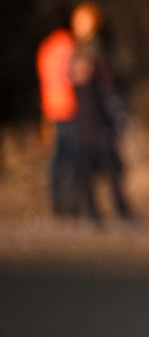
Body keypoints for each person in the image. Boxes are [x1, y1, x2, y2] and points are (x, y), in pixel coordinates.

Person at [67, 1, 134, 222]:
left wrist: (117, 114)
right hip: (84, 116)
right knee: (86, 168)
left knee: (111, 165)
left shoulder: (100, 49)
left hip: (99, 115)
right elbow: (71, 78)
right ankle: (92, 211)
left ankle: (120, 208)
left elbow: (109, 86)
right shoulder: (77, 50)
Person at [36, 21, 81, 217]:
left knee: (57, 159)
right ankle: (72, 203)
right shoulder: (70, 46)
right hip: (70, 107)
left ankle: (56, 203)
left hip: (51, 109)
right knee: (72, 158)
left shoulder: (45, 48)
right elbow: (72, 77)